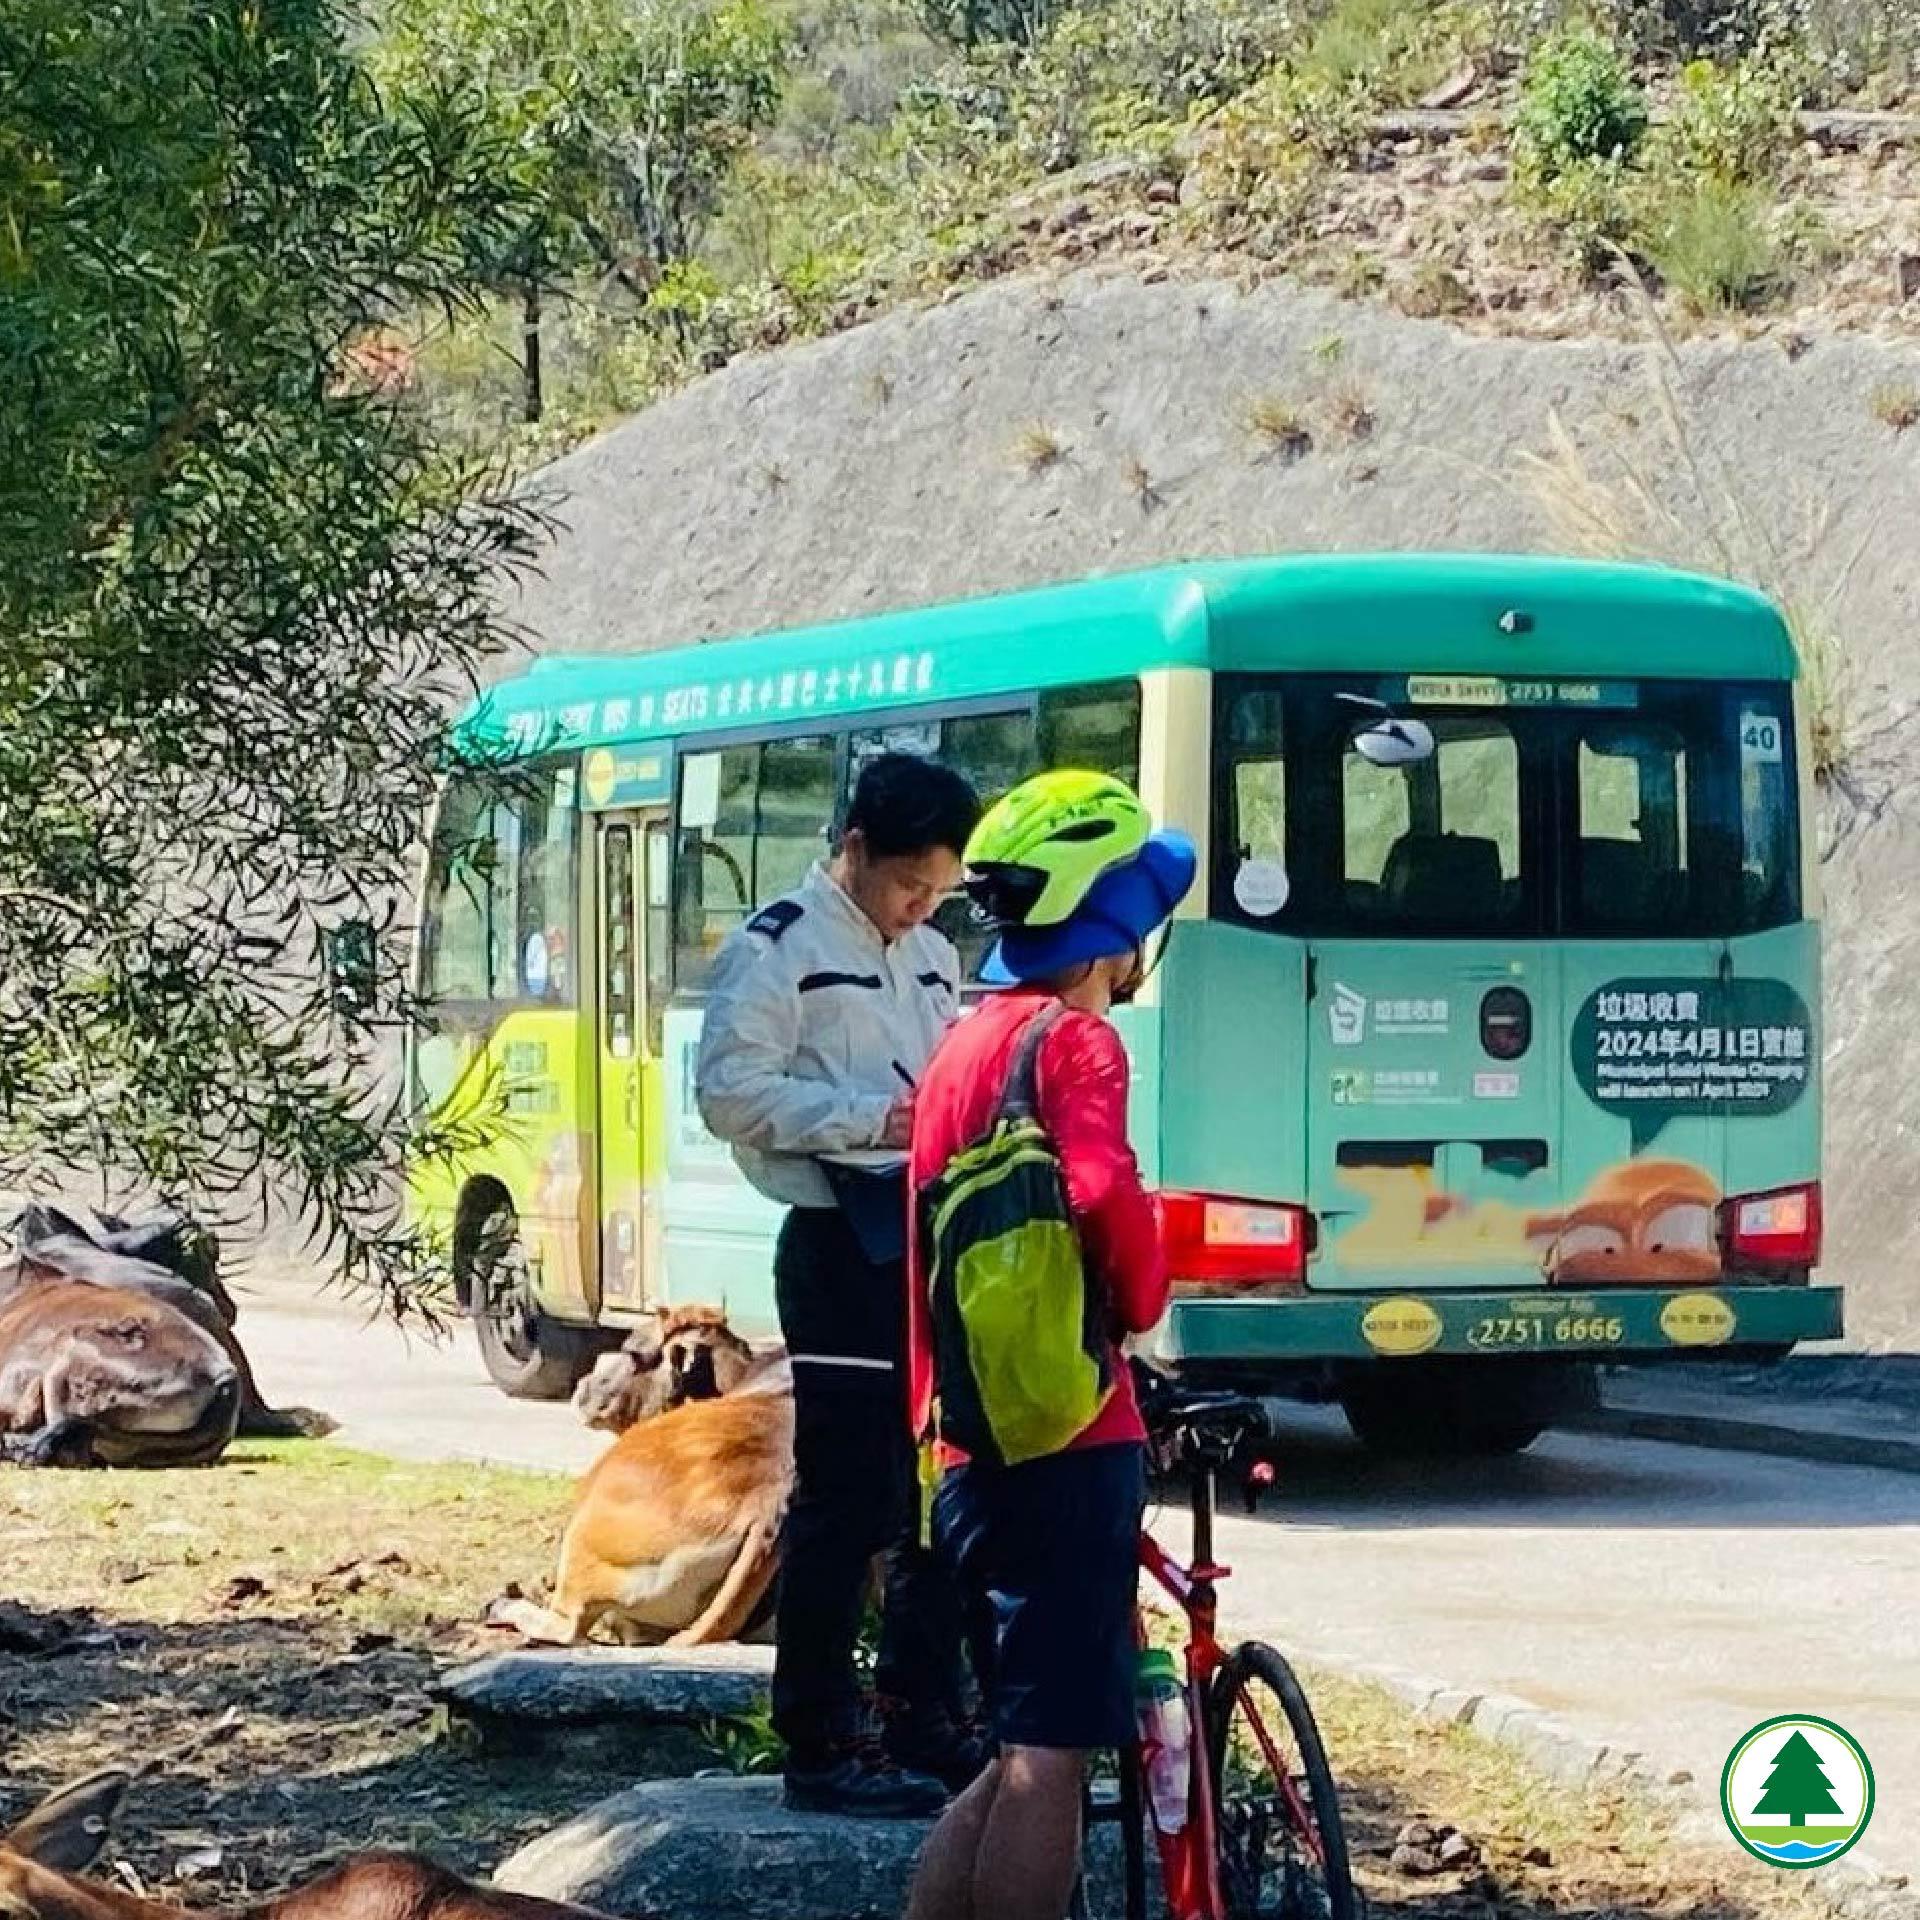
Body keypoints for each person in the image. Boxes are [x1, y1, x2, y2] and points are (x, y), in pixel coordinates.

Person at [903, 775, 1195, 1920]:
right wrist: (1149, 1291)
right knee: (1053, 1757)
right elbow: (1102, 1190)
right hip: (1070, 1434)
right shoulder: (1076, 1042)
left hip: (964, 1445)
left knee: (1017, 1740)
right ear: (1112, 924)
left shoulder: (960, 1047)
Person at [695, 751, 988, 1818]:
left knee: (938, 1498)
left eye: (939, 891)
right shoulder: (781, 947)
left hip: (924, 1236)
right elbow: (730, 1093)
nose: (920, 908)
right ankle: (820, 1741)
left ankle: (925, 1712)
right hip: (837, 1239)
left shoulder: (932, 956)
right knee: (848, 1499)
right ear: (855, 848)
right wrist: (870, 1119)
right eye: (909, 883)